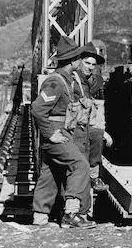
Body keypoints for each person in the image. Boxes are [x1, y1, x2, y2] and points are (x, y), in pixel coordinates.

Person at [31, 36, 92, 228]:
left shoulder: (68, 80)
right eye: (78, 58)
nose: (80, 61)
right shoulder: (56, 83)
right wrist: (50, 134)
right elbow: (37, 108)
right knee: (80, 164)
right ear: (73, 61)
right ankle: (71, 213)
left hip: (62, 131)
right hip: (57, 133)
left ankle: (40, 218)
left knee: (51, 172)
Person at [72, 42, 113, 218]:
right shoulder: (74, 81)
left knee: (96, 135)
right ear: (79, 61)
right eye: (87, 63)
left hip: (84, 126)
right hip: (73, 128)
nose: (90, 67)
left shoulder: (92, 82)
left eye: (93, 64)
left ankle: (94, 177)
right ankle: (76, 211)